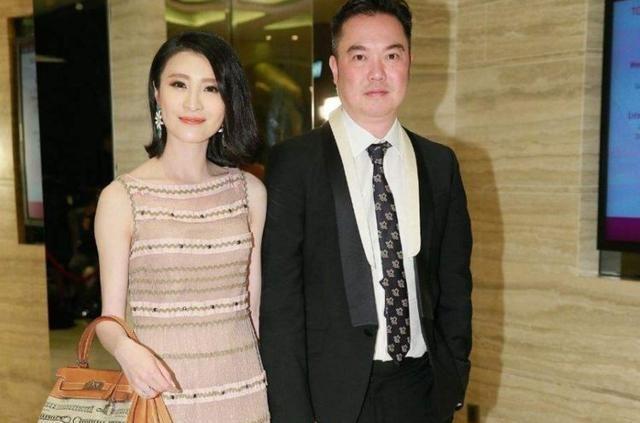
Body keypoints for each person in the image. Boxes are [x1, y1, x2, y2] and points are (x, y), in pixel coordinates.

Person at [259, 1, 472, 422]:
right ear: (335, 68)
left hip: (421, 390)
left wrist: (453, 379)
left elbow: (454, 285)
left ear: (409, 63)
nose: (377, 73)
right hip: (330, 399)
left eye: (391, 55)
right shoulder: (295, 164)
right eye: (360, 57)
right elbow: (280, 306)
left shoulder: (439, 164)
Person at [94, 32, 269, 423]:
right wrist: (125, 350)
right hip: (161, 400)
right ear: (157, 94)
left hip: (245, 395)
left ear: (229, 101)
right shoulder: (122, 198)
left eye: (211, 88)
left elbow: (253, 311)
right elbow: (110, 321)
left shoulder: (249, 192)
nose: (193, 103)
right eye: (179, 85)